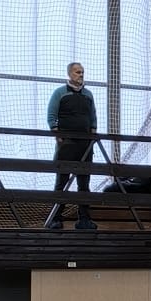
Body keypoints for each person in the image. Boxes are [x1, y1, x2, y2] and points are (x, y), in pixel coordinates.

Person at [44, 61, 98, 233]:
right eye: (77, 72)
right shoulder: (59, 93)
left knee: (84, 183)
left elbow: (93, 118)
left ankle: (84, 219)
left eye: (82, 72)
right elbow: (51, 116)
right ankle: (55, 218)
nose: (80, 75)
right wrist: (58, 136)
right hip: (67, 145)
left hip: (85, 146)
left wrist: (92, 136)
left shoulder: (88, 95)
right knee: (62, 182)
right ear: (69, 74)